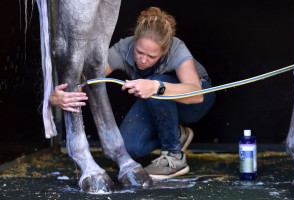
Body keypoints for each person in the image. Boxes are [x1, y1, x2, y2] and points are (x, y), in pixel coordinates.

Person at [50, 7, 216, 179]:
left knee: (156, 81)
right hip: (158, 105)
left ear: (165, 50)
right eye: (139, 52)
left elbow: (197, 94)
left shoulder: (177, 49)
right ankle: (178, 133)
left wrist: (156, 86)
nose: (143, 60)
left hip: (194, 104)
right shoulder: (124, 48)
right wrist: (61, 95)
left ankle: (174, 156)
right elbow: (89, 80)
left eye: (151, 56)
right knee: (129, 148)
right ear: (134, 41)